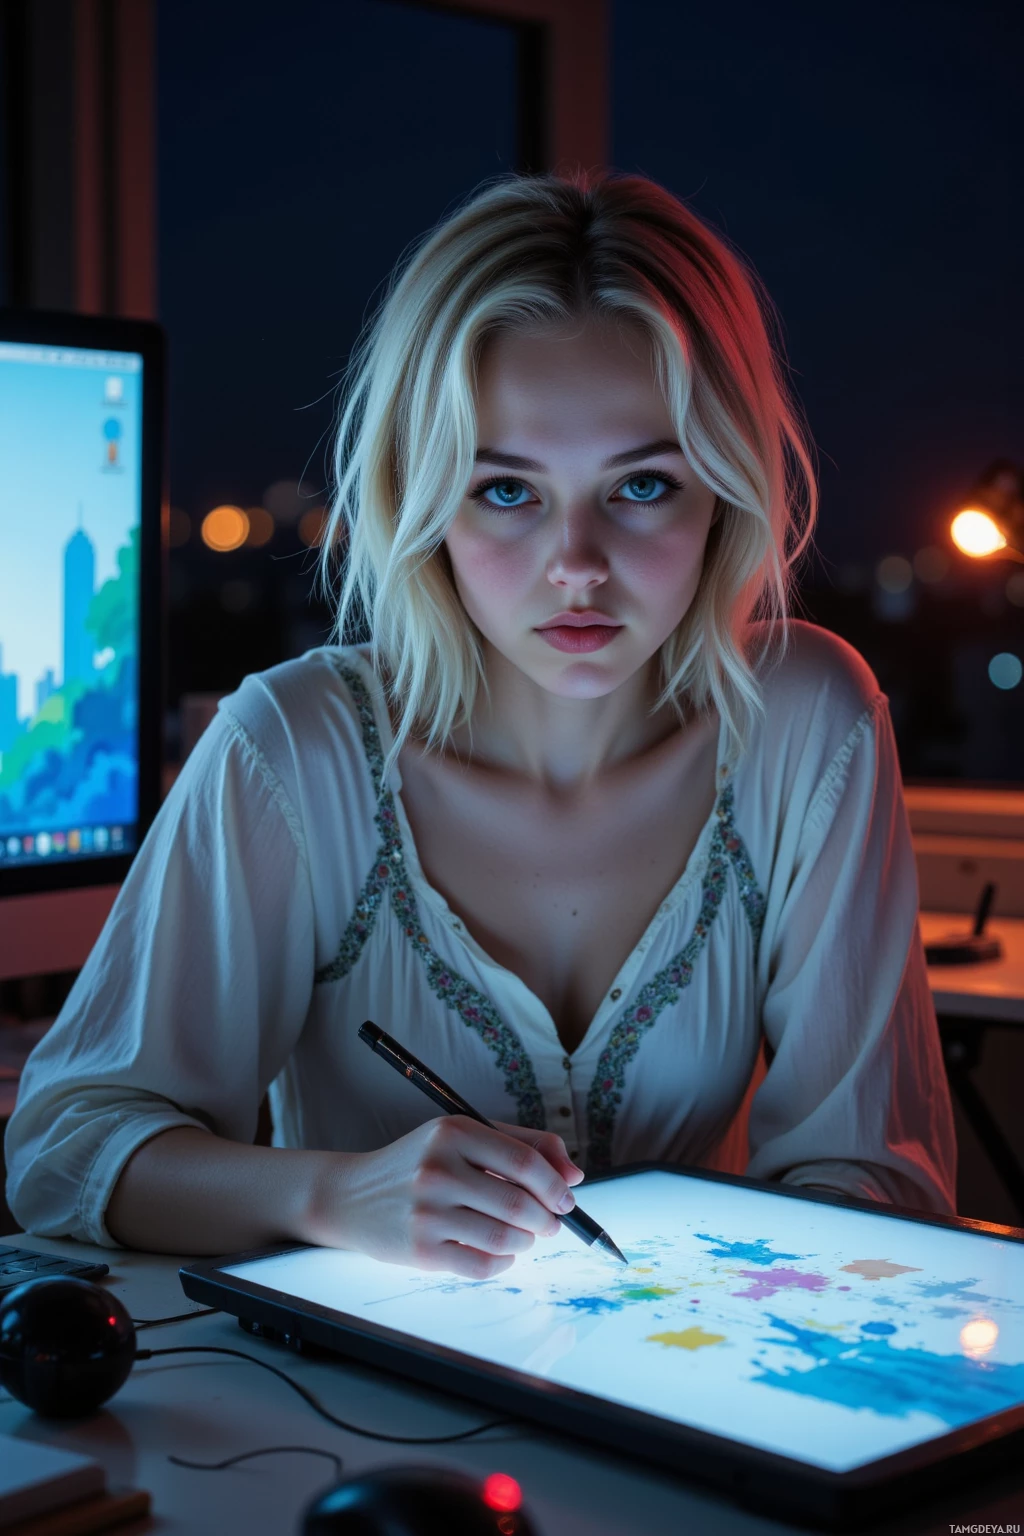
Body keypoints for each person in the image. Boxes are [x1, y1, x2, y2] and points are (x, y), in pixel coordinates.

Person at [4, 170, 957, 1277]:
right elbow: (64, 1150)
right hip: (325, 1426)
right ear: (424, 500)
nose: (577, 567)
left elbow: (875, 1179)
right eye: (506, 490)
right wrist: (332, 1194)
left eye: (641, 486)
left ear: (724, 489)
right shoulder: (294, 747)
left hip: (687, 1400)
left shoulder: (807, 723)